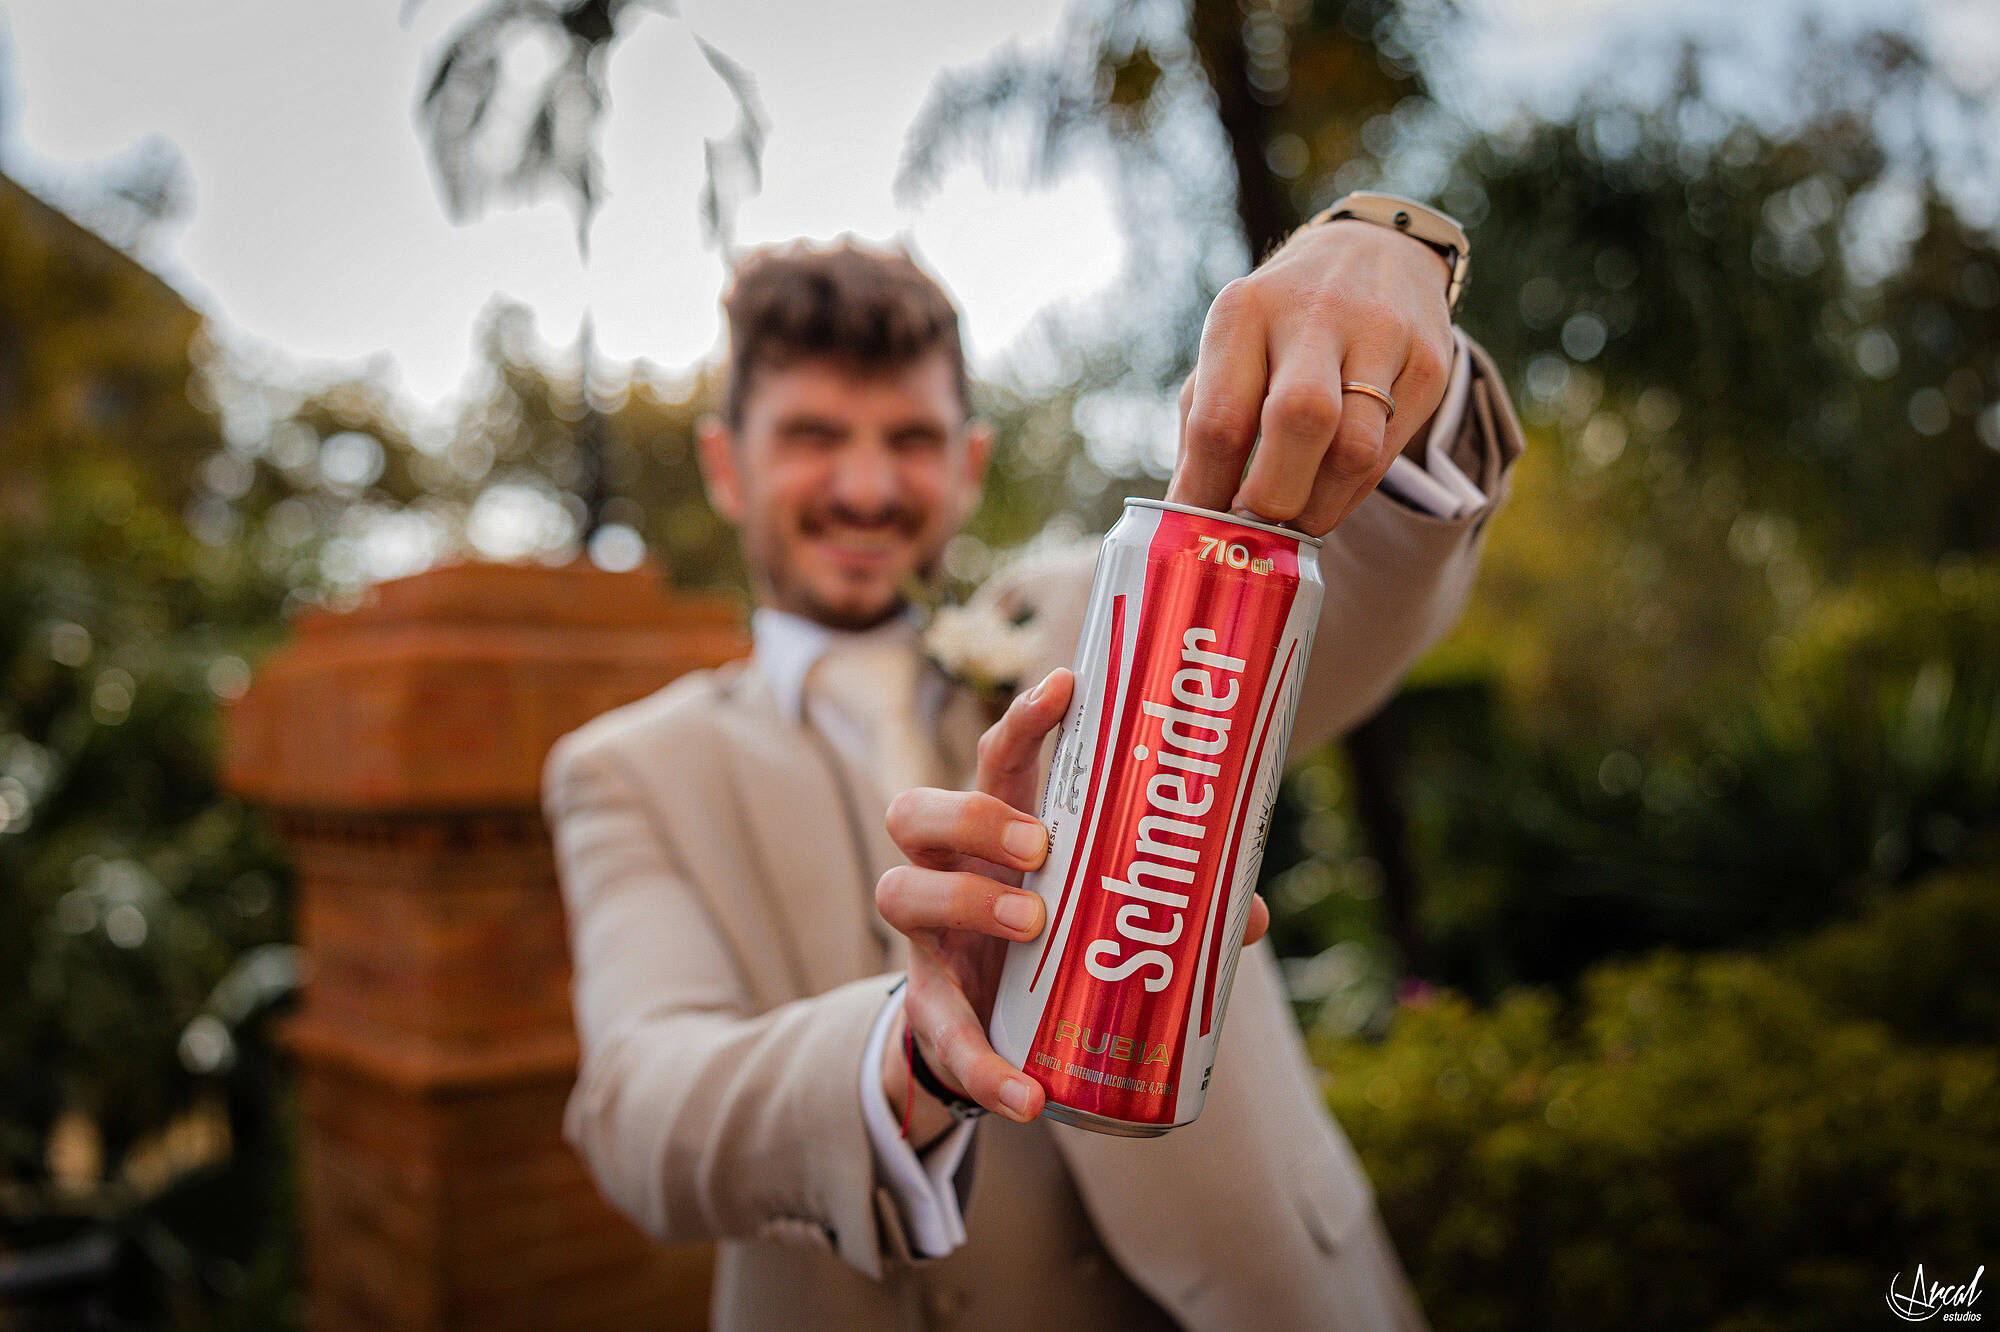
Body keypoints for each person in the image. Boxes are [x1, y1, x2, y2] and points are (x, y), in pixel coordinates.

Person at [543, 212, 1523, 1328]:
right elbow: (637, 1112)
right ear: (726, 465)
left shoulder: (1103, 618)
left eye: (908, 440)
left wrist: (1389, 274)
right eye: (813, 436)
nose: (865, 487)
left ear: (967, 465)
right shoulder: (627, 768)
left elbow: (1362, 582)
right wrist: (904, 1054)